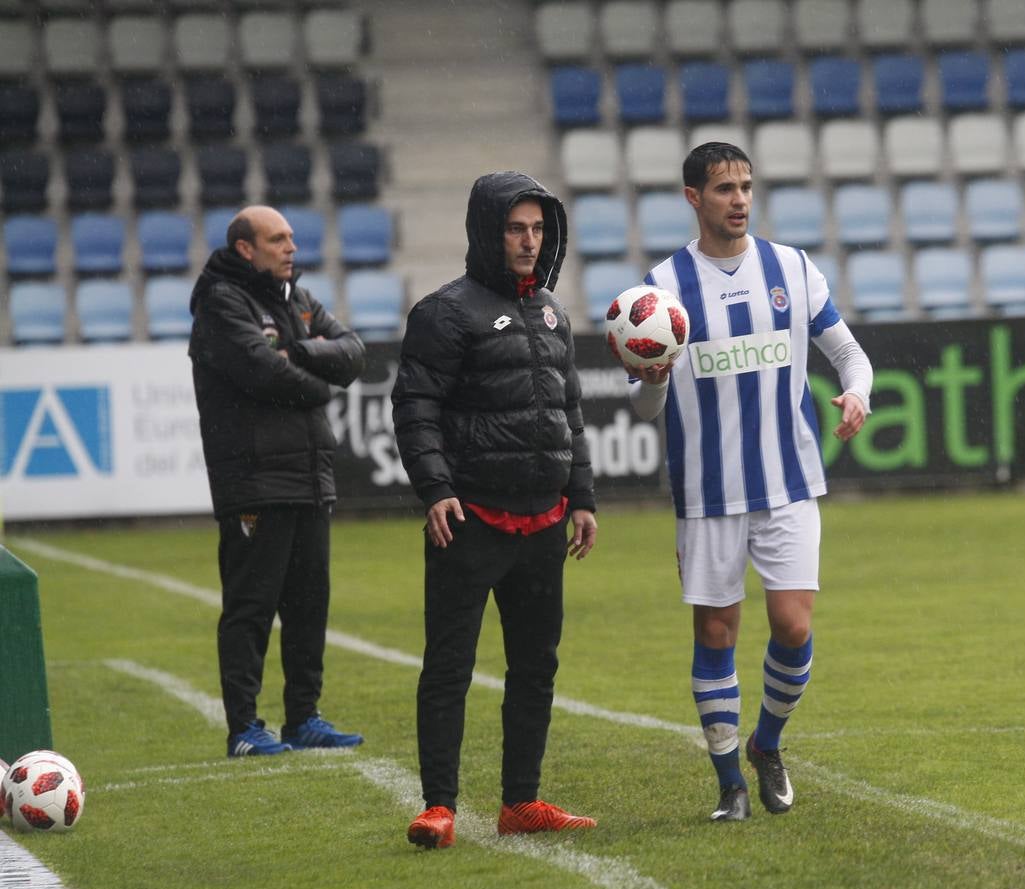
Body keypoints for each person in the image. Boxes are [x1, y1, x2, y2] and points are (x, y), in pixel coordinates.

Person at [626, 143, 873, 822]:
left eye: (746, 186)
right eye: (724, 188)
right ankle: (729, 783)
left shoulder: (790, 268)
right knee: (716, 634)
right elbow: (644, 406)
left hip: (788, 480)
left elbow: (848, 352)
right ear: (693, 199)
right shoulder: (664, 288)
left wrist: (857, 394)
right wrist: (650, 380)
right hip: (707, 492)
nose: (738, 199)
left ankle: (767, 744)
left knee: (792, 626)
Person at [394, 172, 599, 850]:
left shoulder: (552, 310)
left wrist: (584, 498)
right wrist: (435, 489)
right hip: (470, 520)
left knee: (536, 666)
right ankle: (438, 807)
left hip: (544, 522)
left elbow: (569, 412)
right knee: (450, 666)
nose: (530, 242)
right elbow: (415, 408)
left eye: (538, 229)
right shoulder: (443, 313)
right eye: (516, 229)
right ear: (488, 232)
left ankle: (521, 801)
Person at [188, 205, 368, 758]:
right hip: (255, 480)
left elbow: (354, 353)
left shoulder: (299, 299)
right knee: (251, 606)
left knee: (309, 603)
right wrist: (318, 383)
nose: (291, 247)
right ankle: (244, 727)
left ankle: (303, 718)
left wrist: (304, 353)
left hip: (310, 476)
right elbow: (262, 372)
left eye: (291, 237)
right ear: (246, 248)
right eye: (278, 239)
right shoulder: (222, 302)